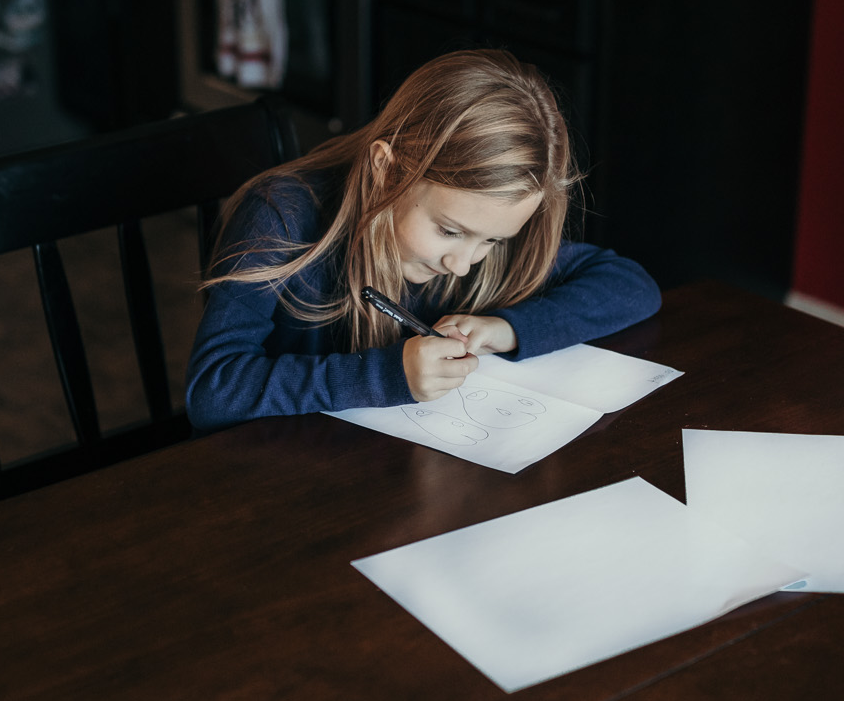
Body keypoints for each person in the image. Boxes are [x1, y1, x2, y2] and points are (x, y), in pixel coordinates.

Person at [186, 49, 661, 432]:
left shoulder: (481, 230)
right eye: (449, 231)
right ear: (385, 169)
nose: (463, 264)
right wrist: (387, 375)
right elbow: (213, 391)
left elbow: (631, 287)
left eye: (493, 241)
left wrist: (505, 327)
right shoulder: (282, 216)